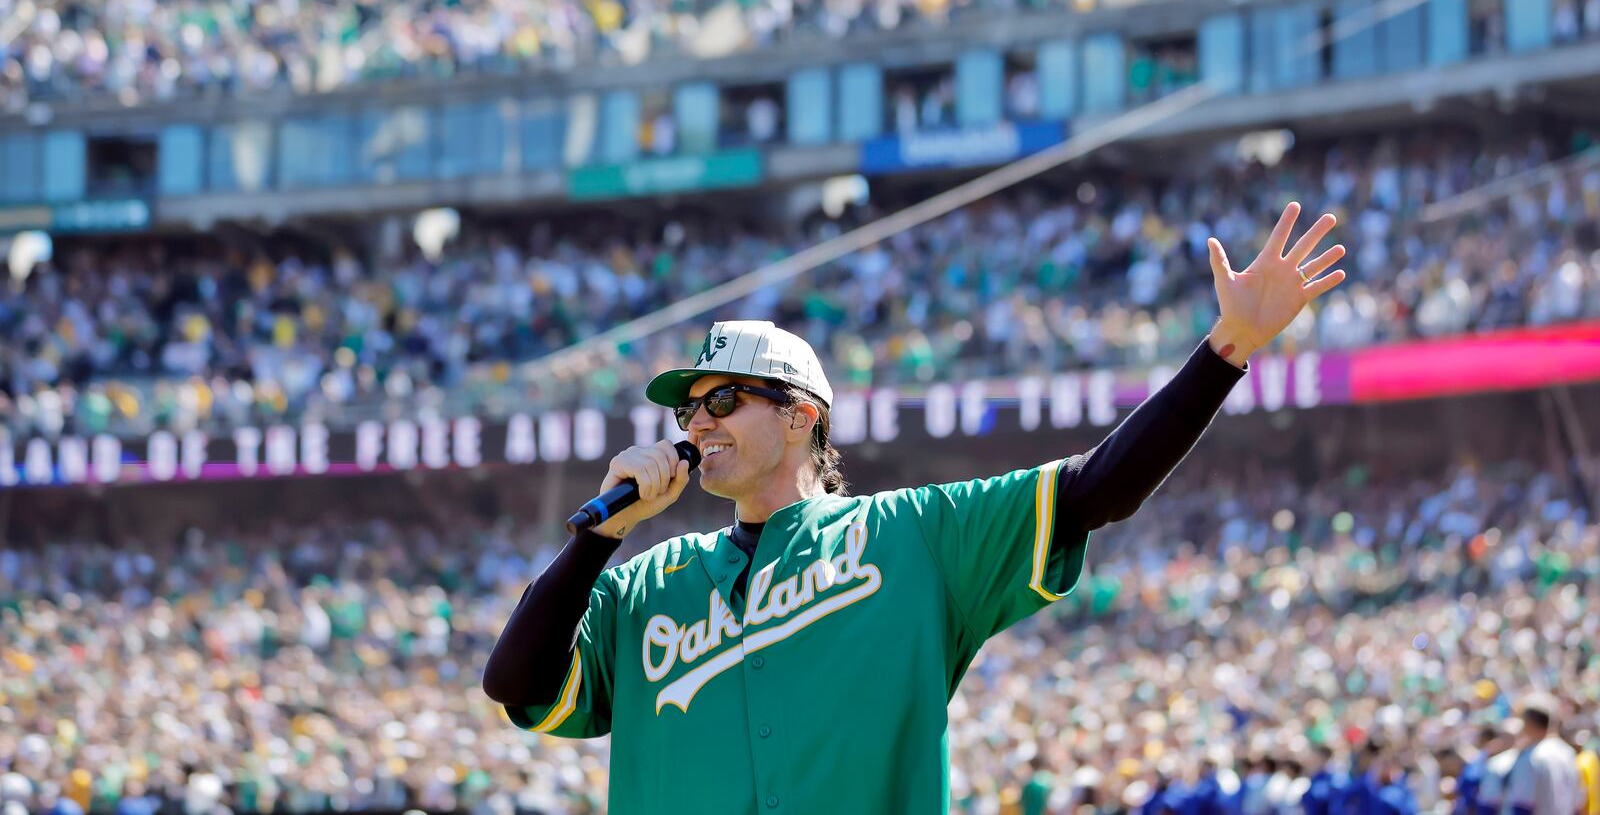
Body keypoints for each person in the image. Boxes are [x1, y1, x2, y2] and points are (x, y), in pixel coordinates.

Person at [482, 203, 1347, 814]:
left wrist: (1225, 352)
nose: (699, 422)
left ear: (799, 415)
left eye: (725, 400)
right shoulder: (645, 584)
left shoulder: (912, 536)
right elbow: (514, 685)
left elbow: (1097, 489)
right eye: (688, 410)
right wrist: (602, 537)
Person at [1503, 694, 1582, 815]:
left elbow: (1523, 806)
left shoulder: (1531, 756)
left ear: (1529, 723)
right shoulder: (1566, 751)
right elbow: (1578, 802)